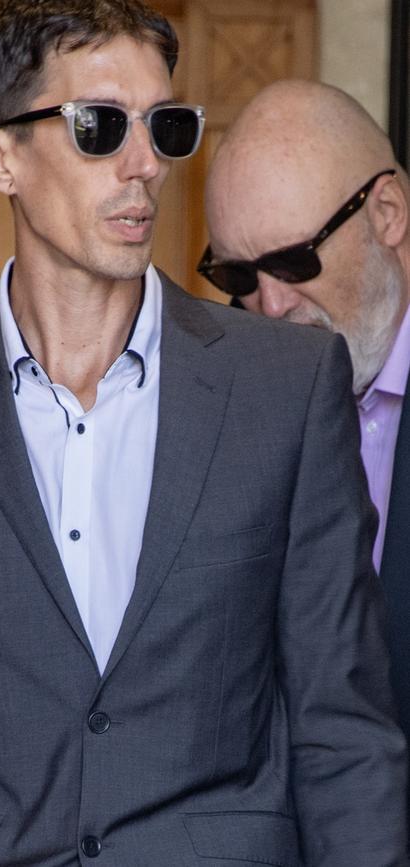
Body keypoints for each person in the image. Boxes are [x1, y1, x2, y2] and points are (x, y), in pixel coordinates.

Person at [0, 5, 406, 865]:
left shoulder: (285, 387)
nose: (144, 165)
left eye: (164, 127)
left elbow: (343, 729)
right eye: (99, 128)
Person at [200, 77, 410, 827]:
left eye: (292, 262)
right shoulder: (217, 410)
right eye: (236, 276)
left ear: (387, 213)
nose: (271, 304)